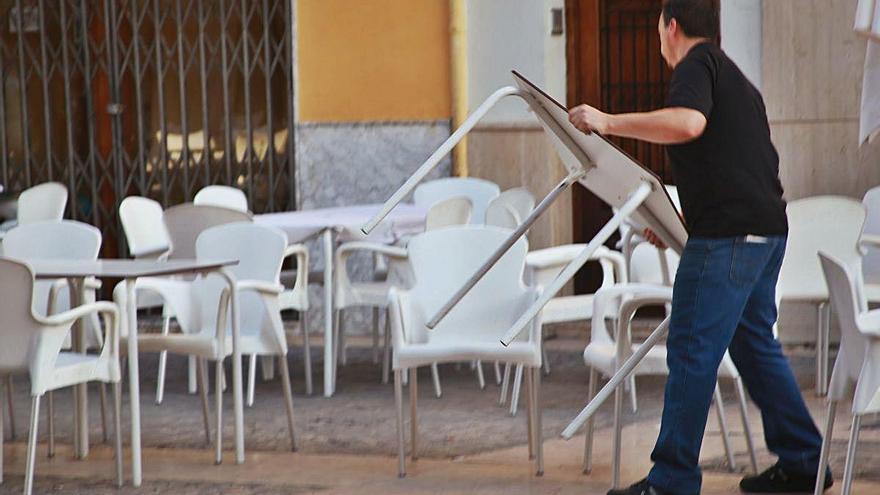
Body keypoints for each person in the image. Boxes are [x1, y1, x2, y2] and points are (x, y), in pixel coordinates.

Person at [568, 1, 831, 494]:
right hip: (764, 232)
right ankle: (803, 462)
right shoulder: (736, 80)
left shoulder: (695, 66)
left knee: (691, 349)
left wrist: (606, 121)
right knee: (755, 349)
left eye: (658, 31)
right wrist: (680, 222)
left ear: (671, 27)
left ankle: (671, 479)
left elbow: (688, 124)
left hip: (729, 238)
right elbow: (739, 164)